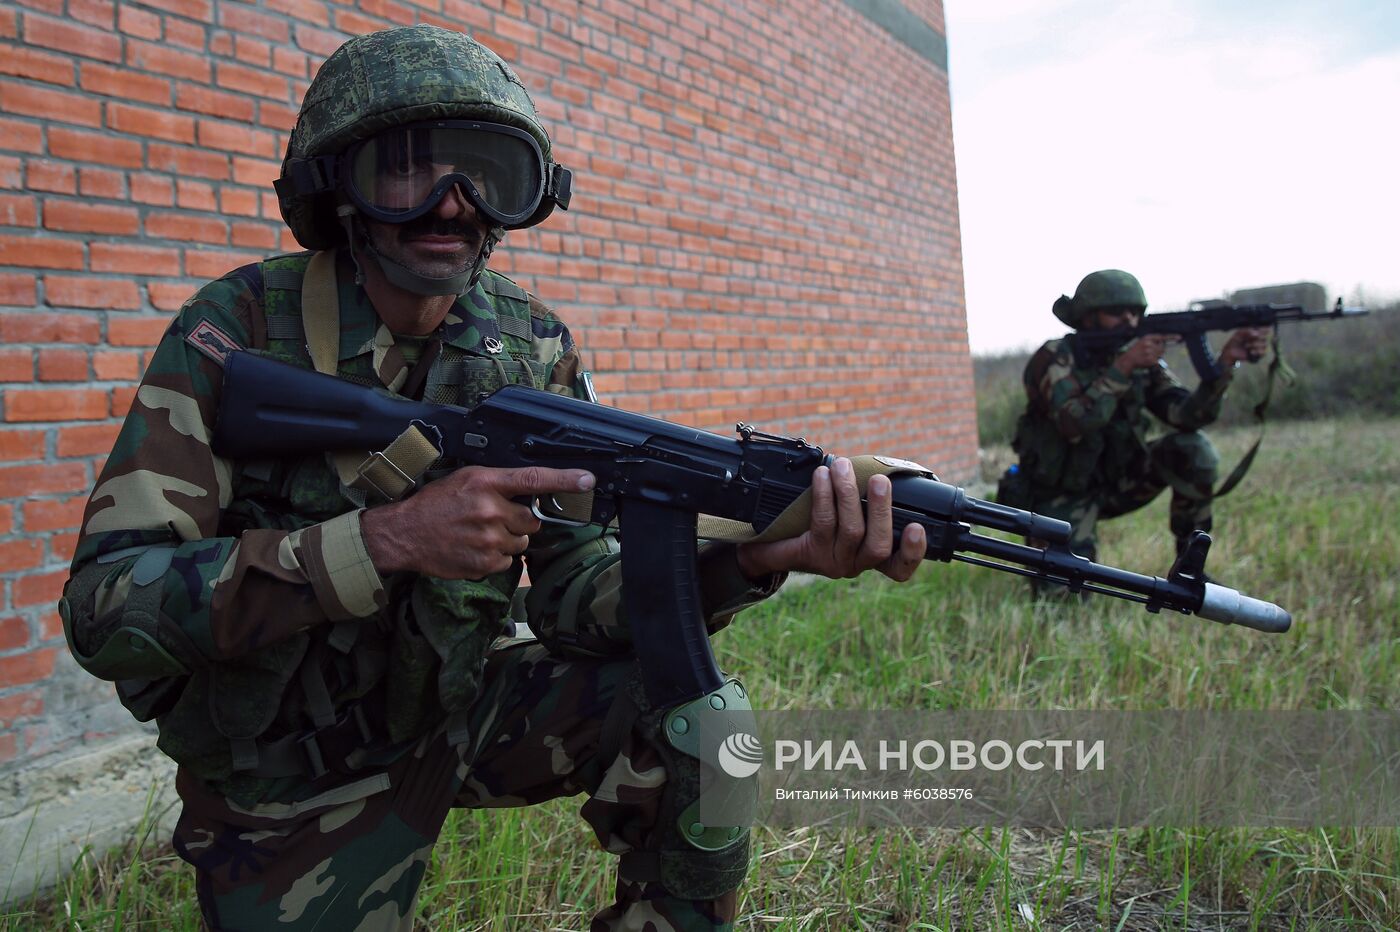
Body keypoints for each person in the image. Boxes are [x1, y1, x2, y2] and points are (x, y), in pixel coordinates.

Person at [57, 25, 927, 932]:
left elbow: (576, 597)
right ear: (339, 189)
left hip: (464, 712)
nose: (452, 206)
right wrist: (384, 540)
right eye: (408, 171)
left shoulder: (528, 346)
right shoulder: (237, 331)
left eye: (488, 177)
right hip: (289, 774)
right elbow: (106, 611)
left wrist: (752, 558)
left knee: (709, 727)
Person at [999, 269, 1269, 567]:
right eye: (1116, 312)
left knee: (1193, 449)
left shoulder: (1143, 363)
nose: (1128, 320)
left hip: (1120, 482)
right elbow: (1073, 424)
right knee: (1065, 594)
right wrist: (1123, 367)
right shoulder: (1056, 357)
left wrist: (1225, 365)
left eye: (1135, 312)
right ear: (1088, 316)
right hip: (1061, 493)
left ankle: (1190, 568)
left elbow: (1187, 417)